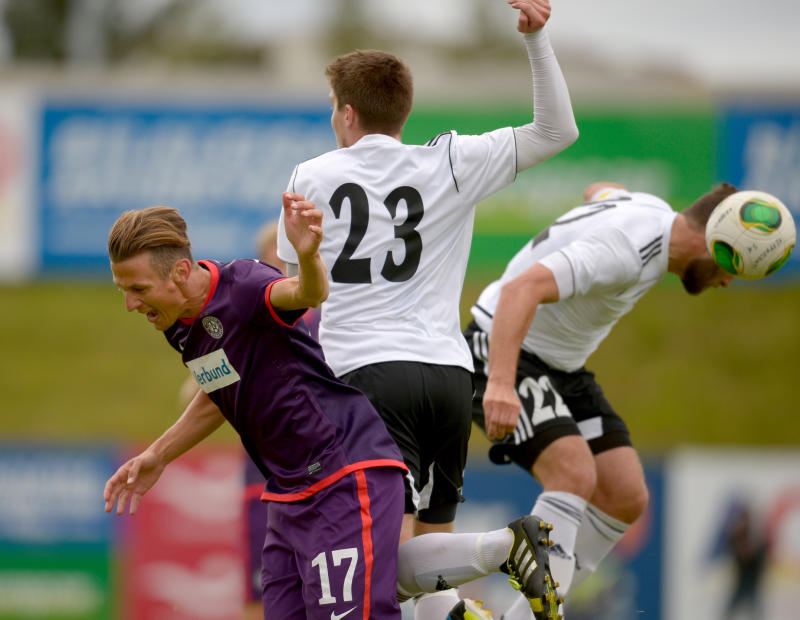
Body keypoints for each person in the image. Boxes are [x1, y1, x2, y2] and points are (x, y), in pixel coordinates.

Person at [277, 2, 577, 619]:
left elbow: (295, 297)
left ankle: (504, 547)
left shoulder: (310, 175)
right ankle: (466, 603)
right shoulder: (451, 161)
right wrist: (537, 38)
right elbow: (557, 131)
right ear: (404, 111)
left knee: (378, 567)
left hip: (363, 379)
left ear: (347, 112)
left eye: (334, 107)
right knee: (432, 556)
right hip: (448, 375)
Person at [103, 197, 410, 619]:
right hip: (288, 494)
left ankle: (490, 556)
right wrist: (159, 454)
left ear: (180, 272)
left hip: (341, 472)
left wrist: (307, 255)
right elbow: (221, 389)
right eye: (123, 290)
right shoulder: (178, 322)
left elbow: (307, 293)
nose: (130, 304)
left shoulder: (243, 285)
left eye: (138, 289)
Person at [464, 181, 739, 619]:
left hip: (561, 366)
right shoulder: (626, 251)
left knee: (625, 494)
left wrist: (601, 207)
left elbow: (598, 190)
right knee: (573, 472)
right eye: (730, 262)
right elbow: (520, 289)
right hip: (502, 347)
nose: (727, 280)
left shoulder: (650, 210)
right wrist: (499, 383)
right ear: (710, 240)